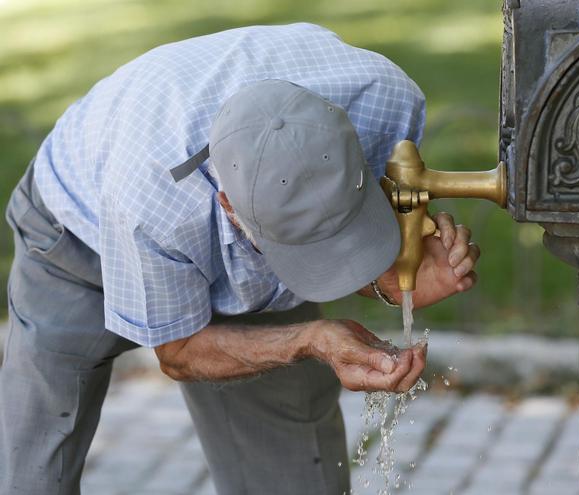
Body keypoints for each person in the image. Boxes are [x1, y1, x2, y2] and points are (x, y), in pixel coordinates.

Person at [0, 23, 481, 494]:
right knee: (37, 464)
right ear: (229, 205)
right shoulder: (153, 207)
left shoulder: (383, 101)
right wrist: (309, 340)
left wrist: (393, 273)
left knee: (294, 469)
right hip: (76, 242)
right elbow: (179, 351)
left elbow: (346, 214)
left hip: (189, 208)